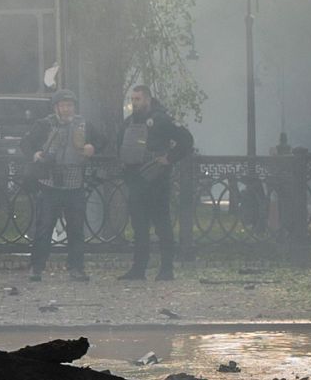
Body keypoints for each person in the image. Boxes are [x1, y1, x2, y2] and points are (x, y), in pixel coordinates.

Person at [21, 89, 101, 282]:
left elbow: (101, 140)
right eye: (63, 105)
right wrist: (36, 155)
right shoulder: (44, 125)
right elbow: (25, 144)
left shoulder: (83, 124)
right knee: (44, 228)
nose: (67, 109)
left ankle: (76, 268)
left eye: (70, 105)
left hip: (75, 184)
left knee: (76, 229)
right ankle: (36, 267)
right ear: (56, 107)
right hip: (49, 183)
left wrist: (92, 148)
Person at [116, 85, 193, 281]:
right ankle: (138, 269)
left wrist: (169, 158)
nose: (134, 103)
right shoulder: (128, 123)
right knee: (139, 227)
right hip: (136, 180)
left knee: (162, 225)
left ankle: (166, 269)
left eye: (138, 99)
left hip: (157, 181)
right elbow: (120, 146)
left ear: (148, 100)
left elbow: (186, 140)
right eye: (132, 99)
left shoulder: (162, 120)